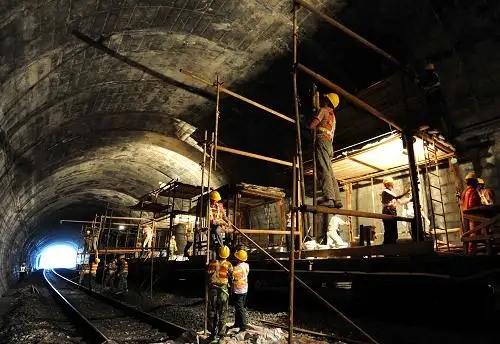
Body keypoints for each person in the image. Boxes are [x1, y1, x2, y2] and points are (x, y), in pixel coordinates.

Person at [309, 92, 343, 209]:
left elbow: (313, 125)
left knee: (323, 168)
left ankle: (329, 198)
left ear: (328, 101)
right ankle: (337, 199)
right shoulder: (333, 117)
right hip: (329, 143)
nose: (323, 101)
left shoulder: (323, 110)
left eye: (325, 99)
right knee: (330, 171)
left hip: (322, 140)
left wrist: (308, 124)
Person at [416, 63, 455, 140]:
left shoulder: (433, 76)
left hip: (436, 97)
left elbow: (425, 84)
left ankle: (445, 131)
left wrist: (420, 82)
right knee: (440, 114)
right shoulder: (432, 76)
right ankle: (444, 131)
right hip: (435, 97)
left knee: (440, 114)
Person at [207, 245, 233, 342]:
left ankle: (213, 334)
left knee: (212, 312)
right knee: (223, 312)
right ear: (227, 254)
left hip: (213, 290)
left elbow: (208, 274)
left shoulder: (212, 263)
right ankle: (221, 335)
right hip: (223, 291)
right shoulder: (229, 265)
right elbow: (231, 278)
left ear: (219, 253)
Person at [380, 177, 410, 244]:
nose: (392, 186)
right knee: (389, 231)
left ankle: (393, 247)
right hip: (387, 213)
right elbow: (386, 203)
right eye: (390, 184)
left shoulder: (392, 193)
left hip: (392, 214)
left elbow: (400, 202)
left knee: (393, 232)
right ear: (387, 185)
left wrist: (410, 199)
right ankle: (388, 249)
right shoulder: (385, 192)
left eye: (391, 184)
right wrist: (391, 204)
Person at [461, 172, 482, 254]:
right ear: (473, 182)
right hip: (473, 217)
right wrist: (481, 207)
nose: (477, 184)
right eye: (476, 182)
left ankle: (468, 253)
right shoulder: (473, 191)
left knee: (469, 235)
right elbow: (472, 205)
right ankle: (471, 254)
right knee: (474, 236)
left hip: (466, 217)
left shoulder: (465, 191)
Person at [209, 191, 232, 259]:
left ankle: (222, 247)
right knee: (212, 235)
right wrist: (224, 223)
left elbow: (224, 216)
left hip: (218, 225)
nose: (215, 202)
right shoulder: (208, 207)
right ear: (211, 200)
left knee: (217, 231)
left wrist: (228, 221)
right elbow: (212, 221)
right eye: (214, 200)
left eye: (216, 200)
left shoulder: (220, 206)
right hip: (213, 224)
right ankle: (214, 252)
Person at [231, 249, 249, 332]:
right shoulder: (246, 265)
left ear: (238, 258)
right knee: (239, 307)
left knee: (240, 308)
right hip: (244, 289)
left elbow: (233, 278)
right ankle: (237, 323)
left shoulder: (237, 268)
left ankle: (243, 325)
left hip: (238, 290)